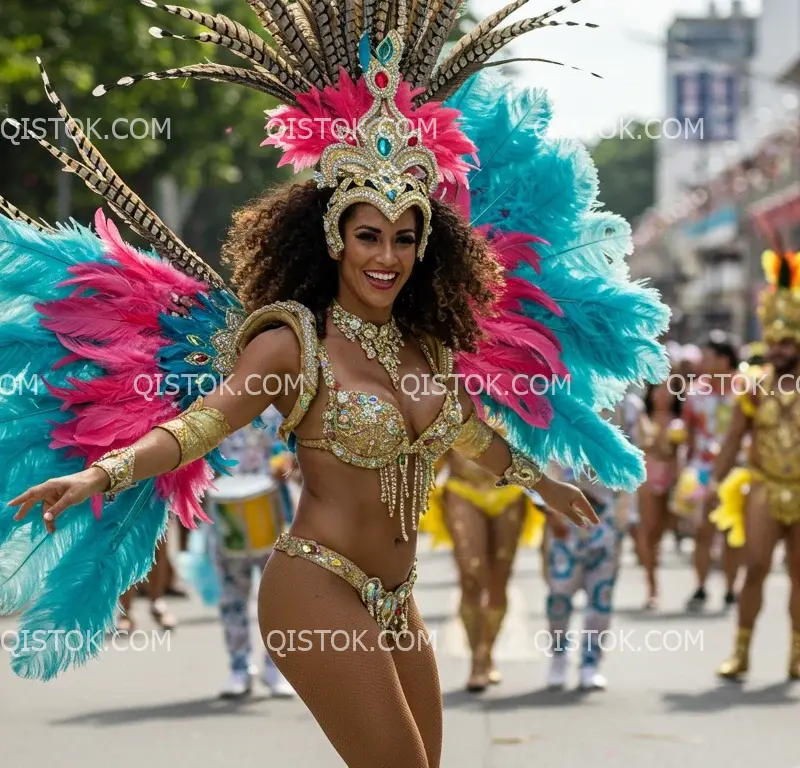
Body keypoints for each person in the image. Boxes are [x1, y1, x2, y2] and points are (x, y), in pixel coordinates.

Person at [0, 5, 670, 767]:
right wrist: (103, 471)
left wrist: (537, 481)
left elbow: (463, 431)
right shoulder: (294, 340)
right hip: (315, 586)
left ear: (428, 244)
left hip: (397, 596)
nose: (387, 255)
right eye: (368, 235)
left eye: (405, 237)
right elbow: (205, 422)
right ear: (333, 237)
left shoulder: (424, 345)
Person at [710, 244, 800, 681]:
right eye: (776, 340)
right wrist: (714, 481)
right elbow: (732, 440)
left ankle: (797, 655)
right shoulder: (753, 386)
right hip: (763, 485)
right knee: (756, 568)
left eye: (789, 340)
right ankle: (741, 652)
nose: (781, 348)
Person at [421, 450, 545, 692]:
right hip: (462, 490)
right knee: (470, 576)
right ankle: (478, 661)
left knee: (500, 581)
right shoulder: (453, 408)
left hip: (509, 492)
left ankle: (486, 652)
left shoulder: (518, 408)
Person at [208, 409, 297, 699]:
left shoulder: (276, 405)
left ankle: (276, 668)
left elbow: (295, 450)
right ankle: (239, 668)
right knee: (233, 598)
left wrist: (285, 465)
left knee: (280, 599)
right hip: (225, 512)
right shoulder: (211, 399)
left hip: (273, 510)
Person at [543, 462, 626, 691]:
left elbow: (632, 468)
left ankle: (590, 663)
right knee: (558, 596)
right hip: (563, 522)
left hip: (605, 524)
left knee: (601, 599)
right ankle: (559, 657)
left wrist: (623, 519)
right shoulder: (555, 424)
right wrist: (550, 513)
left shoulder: (625, 424)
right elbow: (542, 460)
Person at [682, 330, 742, 611]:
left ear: (724, 359)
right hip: (704, 470)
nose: (703, 362)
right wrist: (688, 470)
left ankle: (731, 588)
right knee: (703, 531)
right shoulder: (695, 392)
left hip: (738, 470)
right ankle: (701, 587)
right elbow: (690, 432)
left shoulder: (746, 390)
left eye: (708, 356)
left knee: (733, 532)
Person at [637, 382, 686, 608]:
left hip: (671, 480)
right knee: (649, 531)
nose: (662, 394)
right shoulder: (642, 417)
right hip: (647, 477)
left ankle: (654, 576)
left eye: (668, 389)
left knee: (662, 531)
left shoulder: (680, 420)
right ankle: (651, 585)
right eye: (658, 388)